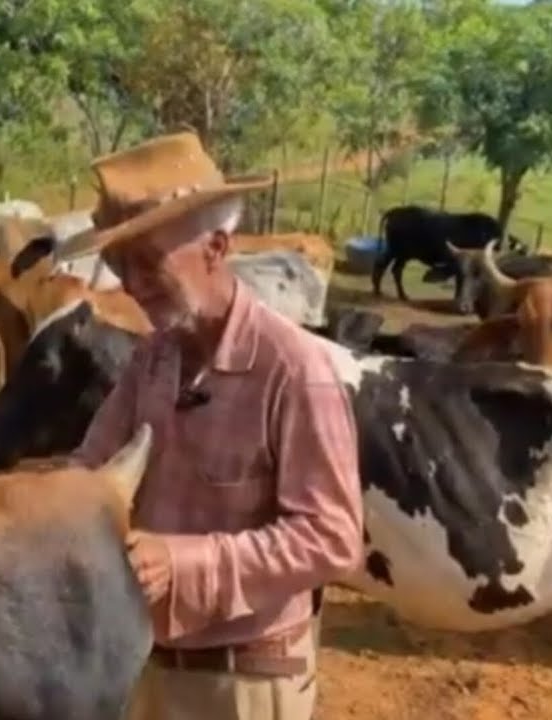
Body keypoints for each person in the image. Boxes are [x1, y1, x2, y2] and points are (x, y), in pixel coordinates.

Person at [57, 131, 365, 720]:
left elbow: (331, 537)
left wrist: (182, 563)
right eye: (119, 265)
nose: (132, 284)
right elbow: (89, 467)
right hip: (146, 663)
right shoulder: (153, 358)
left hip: (244, 684)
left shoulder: (297, 371)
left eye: (148, 261)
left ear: (217, 247)